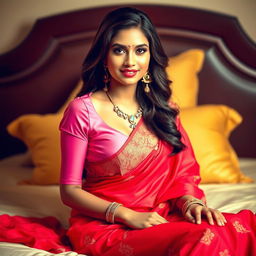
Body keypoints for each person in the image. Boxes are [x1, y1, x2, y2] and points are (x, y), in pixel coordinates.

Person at [59, 7, 256, 256]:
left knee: (238, 228)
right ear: (104, 54)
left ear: (151, 55)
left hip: (163, 214)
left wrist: (191, 203)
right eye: (119, 50)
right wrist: (127, 215)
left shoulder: (165, 110)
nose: (131, 61)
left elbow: (182, 174)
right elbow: (69, 191)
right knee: (201, 239)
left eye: (140, 50)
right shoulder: (82, 110)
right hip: (105, 223)